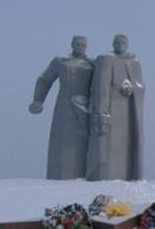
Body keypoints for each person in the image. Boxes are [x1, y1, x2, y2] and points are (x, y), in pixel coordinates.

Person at [29, 35, 94, 179]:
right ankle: (60, 176)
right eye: (78, 44)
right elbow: (44, 80)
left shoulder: (93, 64)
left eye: (83, 45)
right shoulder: (61, 62)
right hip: (65, 106)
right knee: (63, 142)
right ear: (72, 45)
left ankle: (86, 175)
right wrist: (38, 101)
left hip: (86, 107)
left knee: (85, 142)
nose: (81, 47)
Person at [86, 34, 145, 181]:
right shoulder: (106, 59)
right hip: (112, 106)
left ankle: (128, 175)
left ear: (127, 44)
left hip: (128, 111)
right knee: (107, 144)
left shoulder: (134, 62)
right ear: (113, 44)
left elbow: (140, 86)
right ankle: (105, 175)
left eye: (123, 42)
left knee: (126, 145)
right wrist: (102, 111)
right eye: (117, 42)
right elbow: (101, 87)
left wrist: (132, 88)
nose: (120, 44)